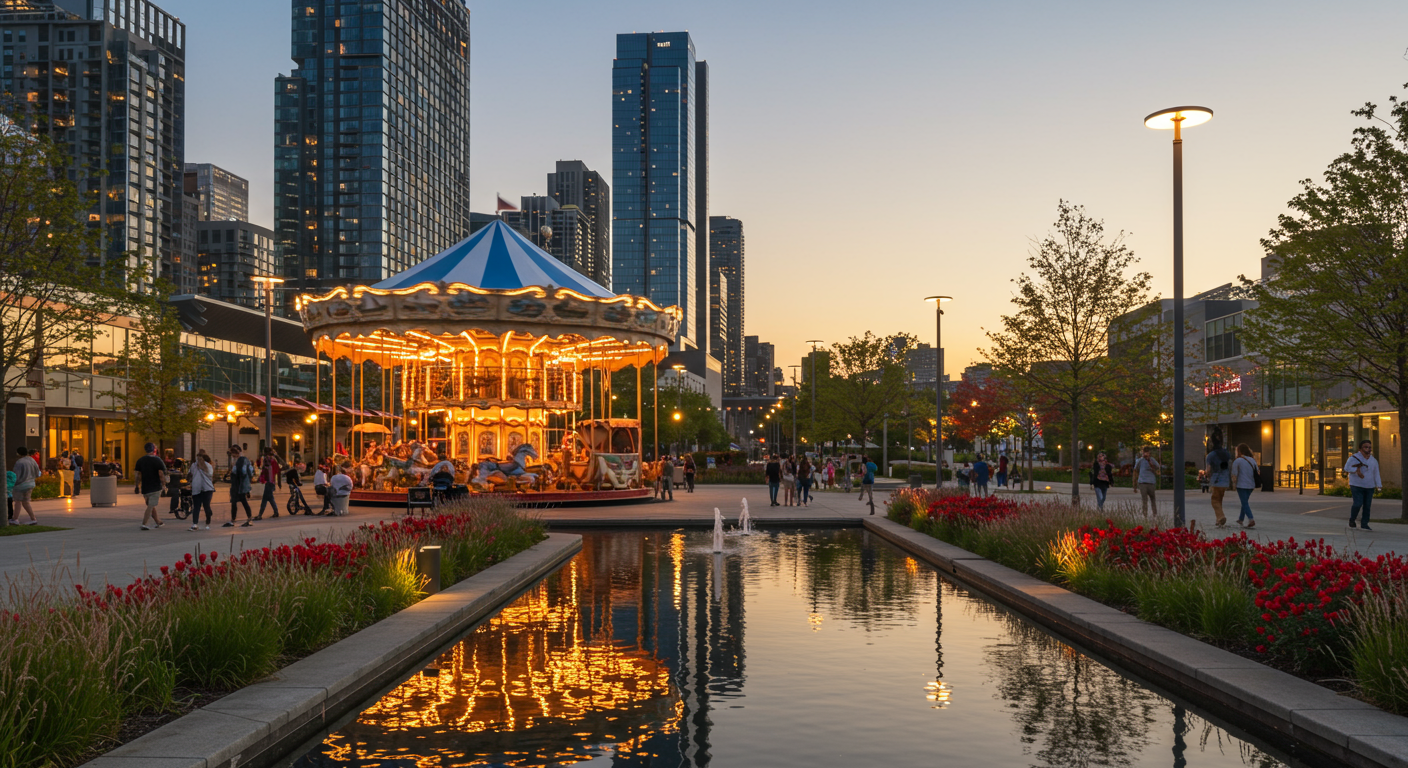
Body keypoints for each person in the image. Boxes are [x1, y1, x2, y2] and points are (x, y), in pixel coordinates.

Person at [1345, 439, 1381, 531]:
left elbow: (1376, 473)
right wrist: (1356, 471)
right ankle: (1352, 520)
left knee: (1367, 505)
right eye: (1366, 447)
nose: (1368, 449)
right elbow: (1346, 468)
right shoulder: (1353, 458)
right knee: (1357, 503)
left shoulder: (1373, 461)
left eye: (1369, 447)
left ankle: (1364, 524)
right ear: (1360, 449)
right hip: (1356, 485)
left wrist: (1379, 485)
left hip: (1370, 486)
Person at [134, 442, 168, 530]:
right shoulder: (158, 460)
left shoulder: (140, 460)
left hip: (145, 487)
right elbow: (161, 474)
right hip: (155, 487)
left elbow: (138, 475)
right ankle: (144, 523)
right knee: (150, 506)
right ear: (154, 449)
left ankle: (158, 522)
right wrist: (164, 485)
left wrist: (137, 486)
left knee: (151, 505)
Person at [1205, 430, 1232, 528]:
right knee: (1219, 499)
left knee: (1214, 500)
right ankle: (1218, 520)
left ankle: (1221, 517)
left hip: (1216, 480)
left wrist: (1208, 477)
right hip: (1225, 481)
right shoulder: (1227, 454)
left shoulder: (1211, 455)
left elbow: (1208, 470)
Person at [224, 445, 254, 527]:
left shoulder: (242, 460)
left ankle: (248, 519)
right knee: (235, 502)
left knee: (242, 501)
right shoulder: (238, 460)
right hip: (237, 484)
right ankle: (235, 519)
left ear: (236, 453)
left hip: (239, 485)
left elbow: (243, 472)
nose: (232, 455)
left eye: (233, 453)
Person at [10, 447, 39, 526]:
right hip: (31, 484)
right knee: (26, 502)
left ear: (19, 453)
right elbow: (37, 473)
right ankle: (33, 519)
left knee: (18, 502)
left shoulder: (19, 462)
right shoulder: (32, 460)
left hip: (20, 485)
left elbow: (16, 476)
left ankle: (15, 519)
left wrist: (12, 484)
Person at [188, 450, 216, 530]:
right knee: (206, 505)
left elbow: (190, 474)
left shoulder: (194, 465)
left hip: (196, 488)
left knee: (196, 506)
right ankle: (208, 520)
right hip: (207, 488)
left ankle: (195, 524)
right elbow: (210, 475)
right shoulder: (208, 466)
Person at [254, 448, 282, 519]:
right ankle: (276, 512)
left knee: (265, 499)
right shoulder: (272, 460)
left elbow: (259, 465)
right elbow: (278, 471)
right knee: (270, 498)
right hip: (271, 482)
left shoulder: (268, 460)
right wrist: (279, 483)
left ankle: (260, 515)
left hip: (269, 482)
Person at [1135, 447, 1161, 517]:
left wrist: (1149, 460)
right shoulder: (1140, 460)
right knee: (1144, 500)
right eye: (1144, 452)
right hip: (1142, 482)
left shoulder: (1152, 460)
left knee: (1153, 499)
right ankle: (1145, 514)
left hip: (1151, 482)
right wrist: (1135, 484)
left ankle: (1155, 514)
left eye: (1147, 452)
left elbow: (1157, 467)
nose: (1146, 454)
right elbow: (1136, 470)